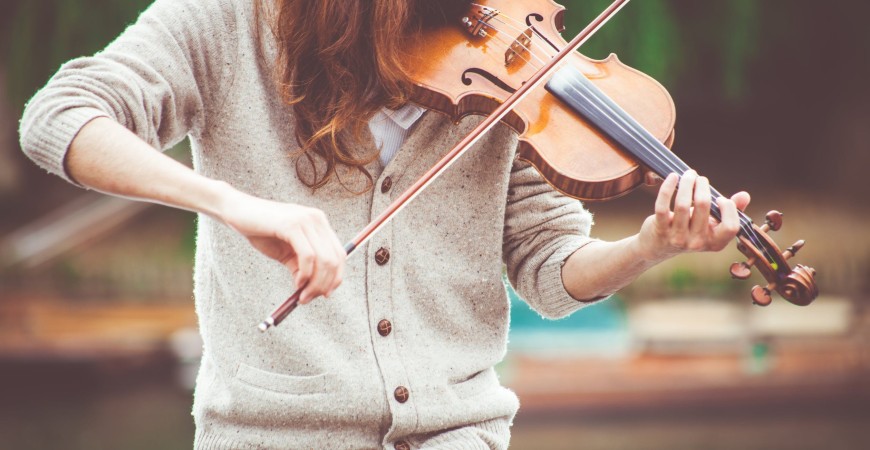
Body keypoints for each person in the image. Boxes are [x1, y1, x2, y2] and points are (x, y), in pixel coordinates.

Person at [18, 0, 749, 448]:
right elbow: (59, 118)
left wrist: (649, 246)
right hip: (273, 441)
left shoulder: (504, 69)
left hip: (462, 437)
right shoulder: (222, 23)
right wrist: (232, 203)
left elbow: (551, 269)